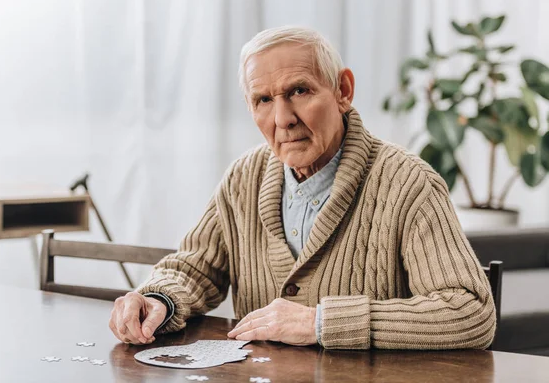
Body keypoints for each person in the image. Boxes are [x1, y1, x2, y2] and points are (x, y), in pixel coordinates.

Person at [109, 26, 496, 350]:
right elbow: (195, 268)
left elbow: (470, 311)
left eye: (299, 91)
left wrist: (321, 322)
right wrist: (157, 299)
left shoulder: (409, 183)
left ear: (343, 90)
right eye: (263, 100)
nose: (282, 119)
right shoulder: (244, 177)